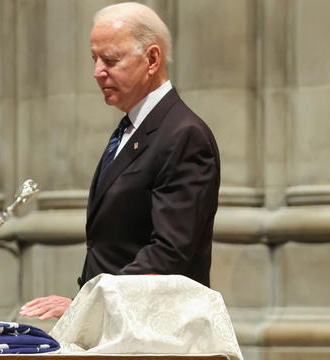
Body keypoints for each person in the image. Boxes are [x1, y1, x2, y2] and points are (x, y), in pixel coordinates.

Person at [20, 2, 220, 320]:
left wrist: (88, 305)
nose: (98, 71)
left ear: (152, 59)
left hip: (156, 331)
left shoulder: (183, 135)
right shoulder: (133, 127)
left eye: (111, 60)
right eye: (95, 59)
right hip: (117, 325)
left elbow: (169, 252)